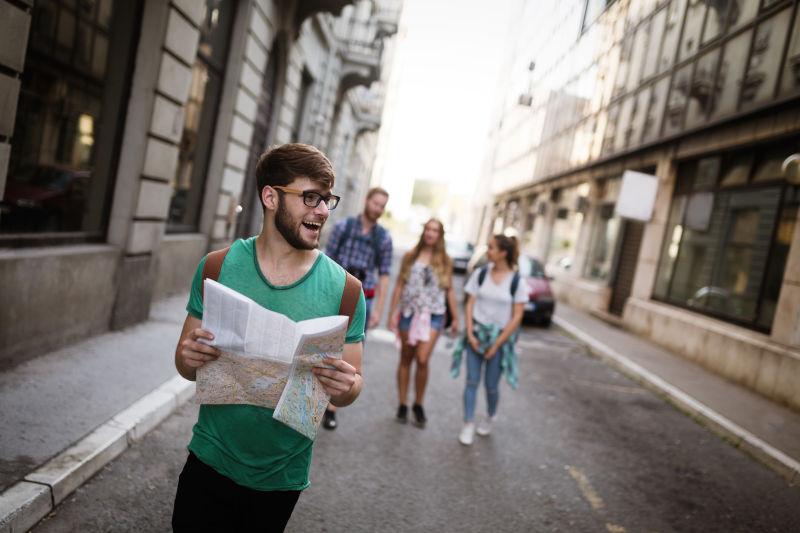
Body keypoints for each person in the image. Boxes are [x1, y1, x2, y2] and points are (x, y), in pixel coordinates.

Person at [172, 143, 366, 532]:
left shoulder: (345, 290)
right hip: (209, 459)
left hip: (281, 477)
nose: (323, 211)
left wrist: (347, 386)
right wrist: (188, 357)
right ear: (271, 196)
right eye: (310, 197)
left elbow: (348, 390)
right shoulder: (217, 266)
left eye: (327, 200)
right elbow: (184, 365)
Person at [323, 186, 393, 430]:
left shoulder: (383, 238)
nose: (378, 209)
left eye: (382, 206)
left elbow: (384, 274)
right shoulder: (343, 227)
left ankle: (332, 408)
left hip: (365, 299)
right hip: (336, 294)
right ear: (366, 201)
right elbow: (324, 259)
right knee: (324, 344)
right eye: (375, 203)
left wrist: (378, 310)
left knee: (351, 353)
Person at [454, 234, 527, 446]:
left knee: (491, 386)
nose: (488, 251)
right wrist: (469, 333)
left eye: (492, 248)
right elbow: (469, 304)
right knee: (471, 381)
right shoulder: (480, 274)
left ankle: (490, 416)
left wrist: (497, 345)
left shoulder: (516, 282)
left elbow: (517, 317)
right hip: (476, 334)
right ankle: (468, 424)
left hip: (500, 340)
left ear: (503, 253)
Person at [388, 219, 459, 427]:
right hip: (409, 313)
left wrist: (455, 317)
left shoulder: (446, 260)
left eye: (435, 230)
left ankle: (418, 403)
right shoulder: (411, 255)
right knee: (406, 358)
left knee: (422, 358)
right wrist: (393, 312)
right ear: (423, 232)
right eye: (427, 229)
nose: (430, 233)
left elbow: (450, 289)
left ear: (440, 235)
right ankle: (402, 404)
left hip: (434, 315)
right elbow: (400, 284)